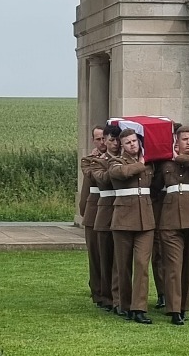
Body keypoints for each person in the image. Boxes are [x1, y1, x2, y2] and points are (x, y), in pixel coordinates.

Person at [152, 125, 189, 325]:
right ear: (176, 141)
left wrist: (176, 157)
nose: (188, 142)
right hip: (170, 219)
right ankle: (174, 309)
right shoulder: (165, 163)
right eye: (184, 139)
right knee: (173, 265)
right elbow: (155, 188)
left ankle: (185, 305)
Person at [109, 128, 156, 324]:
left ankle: (139, 308)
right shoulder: (116, 161)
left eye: (134, 141)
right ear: (122, 145)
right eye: (127, 142)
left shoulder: (150, 162)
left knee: (142, 264)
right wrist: (142, 164)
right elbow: (123, 173)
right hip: (123, 220)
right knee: (123, 265)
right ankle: (124, 304)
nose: (132, 145)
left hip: (145, 220)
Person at [89, 124, 122, 313]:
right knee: (103, 256)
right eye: (110, 140)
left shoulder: (126, 160)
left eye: (117, 140)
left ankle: (117, 297)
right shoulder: (95, 161)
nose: (113, 144)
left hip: (124, 212)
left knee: (119, 259)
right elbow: (101, 179)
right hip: (105, 212)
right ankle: (104, 295)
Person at [79, 125, 106, 306]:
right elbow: (92, 176)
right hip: (94, 210)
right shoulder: (88, 160)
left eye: (105, 138)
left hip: (111, 211)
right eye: (98, 139)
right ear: (93, 141)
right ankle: (97, 292)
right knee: (95, 255)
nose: (102, 142)